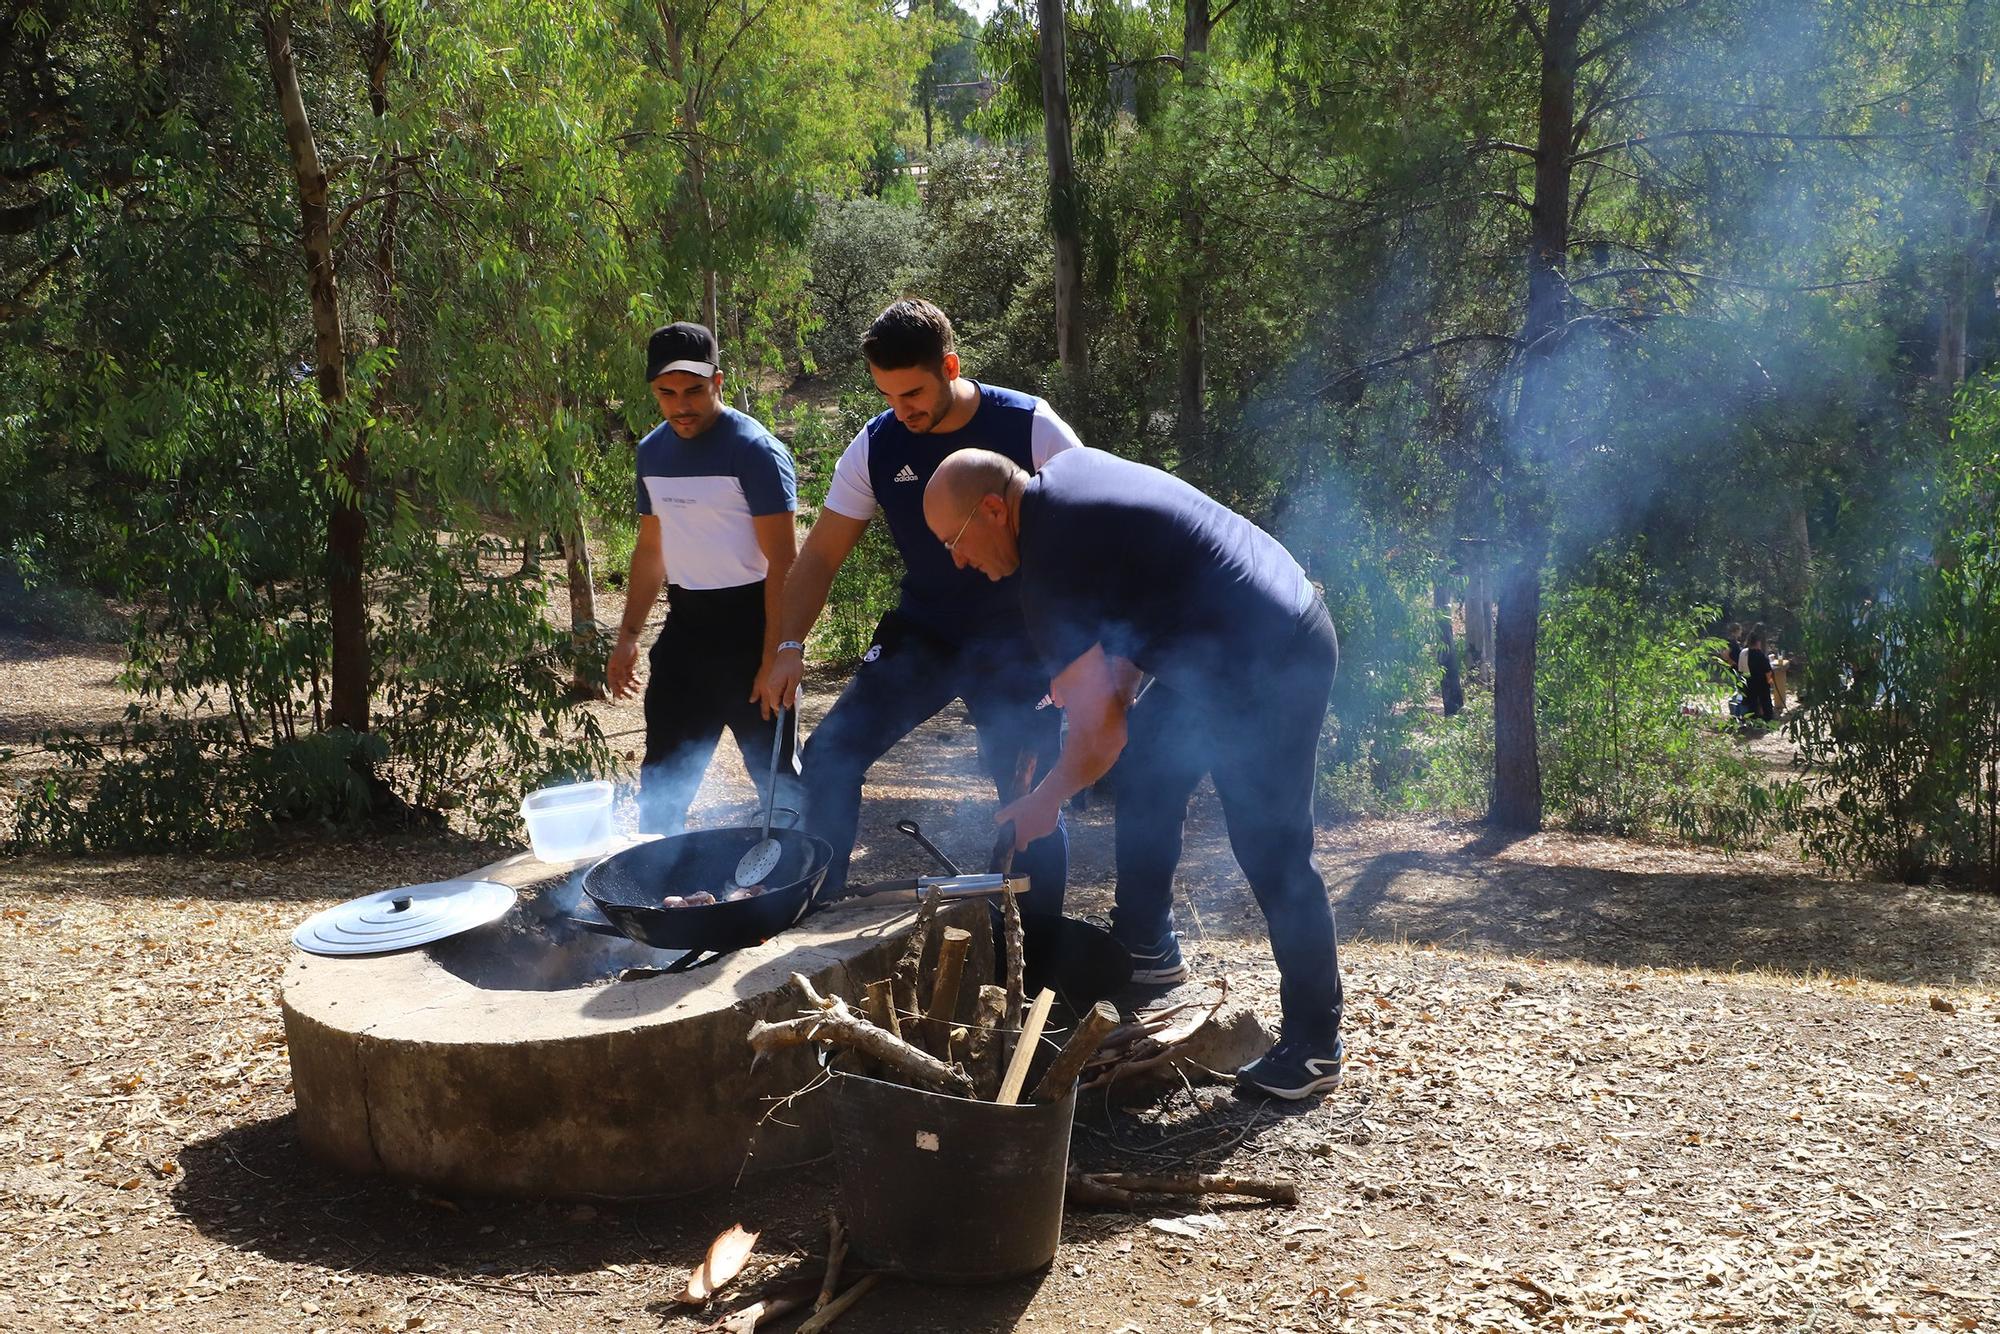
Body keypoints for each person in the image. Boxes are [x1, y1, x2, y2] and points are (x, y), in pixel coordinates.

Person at [922, 446, 1345, 1099]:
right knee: (1150, 770)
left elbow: (1101, 736)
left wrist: (1044, 800)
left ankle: (1316, 1045)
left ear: (992, 509)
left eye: (954, 540)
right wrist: (1106, 688)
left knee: (1272, 848)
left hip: (1272, 659)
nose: (956, 558)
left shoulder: (1049, 570)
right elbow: (1142, 596)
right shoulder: (1066, 480)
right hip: (1232, 641)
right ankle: (1148, 946)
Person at [755, 299, 1078, 916]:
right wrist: (788, 646)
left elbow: (1087, 531)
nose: (901, 410)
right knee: (828, 757)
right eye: (887, 395)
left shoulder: (1031, 427)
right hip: (927, 630)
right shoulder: (877, 446)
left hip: (1021, 638)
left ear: (950, 366)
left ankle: (1039, 957)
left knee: (1027, 794)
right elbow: (820, 556)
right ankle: (815, 913)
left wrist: (1076, 650)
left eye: (913, 394)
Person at [608, 321, 801, 834]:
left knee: (778, 783)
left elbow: (785, 562)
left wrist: (773, 657)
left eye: (693, 390)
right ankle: (653, 892)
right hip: (687, 626)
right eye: (666, 393)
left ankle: (798, 892)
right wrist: (627, 638)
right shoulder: (651, 452)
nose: (681, 405)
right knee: (663, 778)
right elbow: (651, 549)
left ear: (718, 381)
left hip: (753, 625)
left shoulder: (753, 450)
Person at [1740, 626, 1776, 724]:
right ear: (1758, 642)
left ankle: (1753, 718)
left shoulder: (1744, 653)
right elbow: (1768, 671)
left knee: (1752, 701)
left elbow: (1741, 669)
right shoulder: (1760, 655)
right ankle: (1768, 718)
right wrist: (1770, 681)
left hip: (1749, 681)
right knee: (1765, 700)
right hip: (1761, 682)